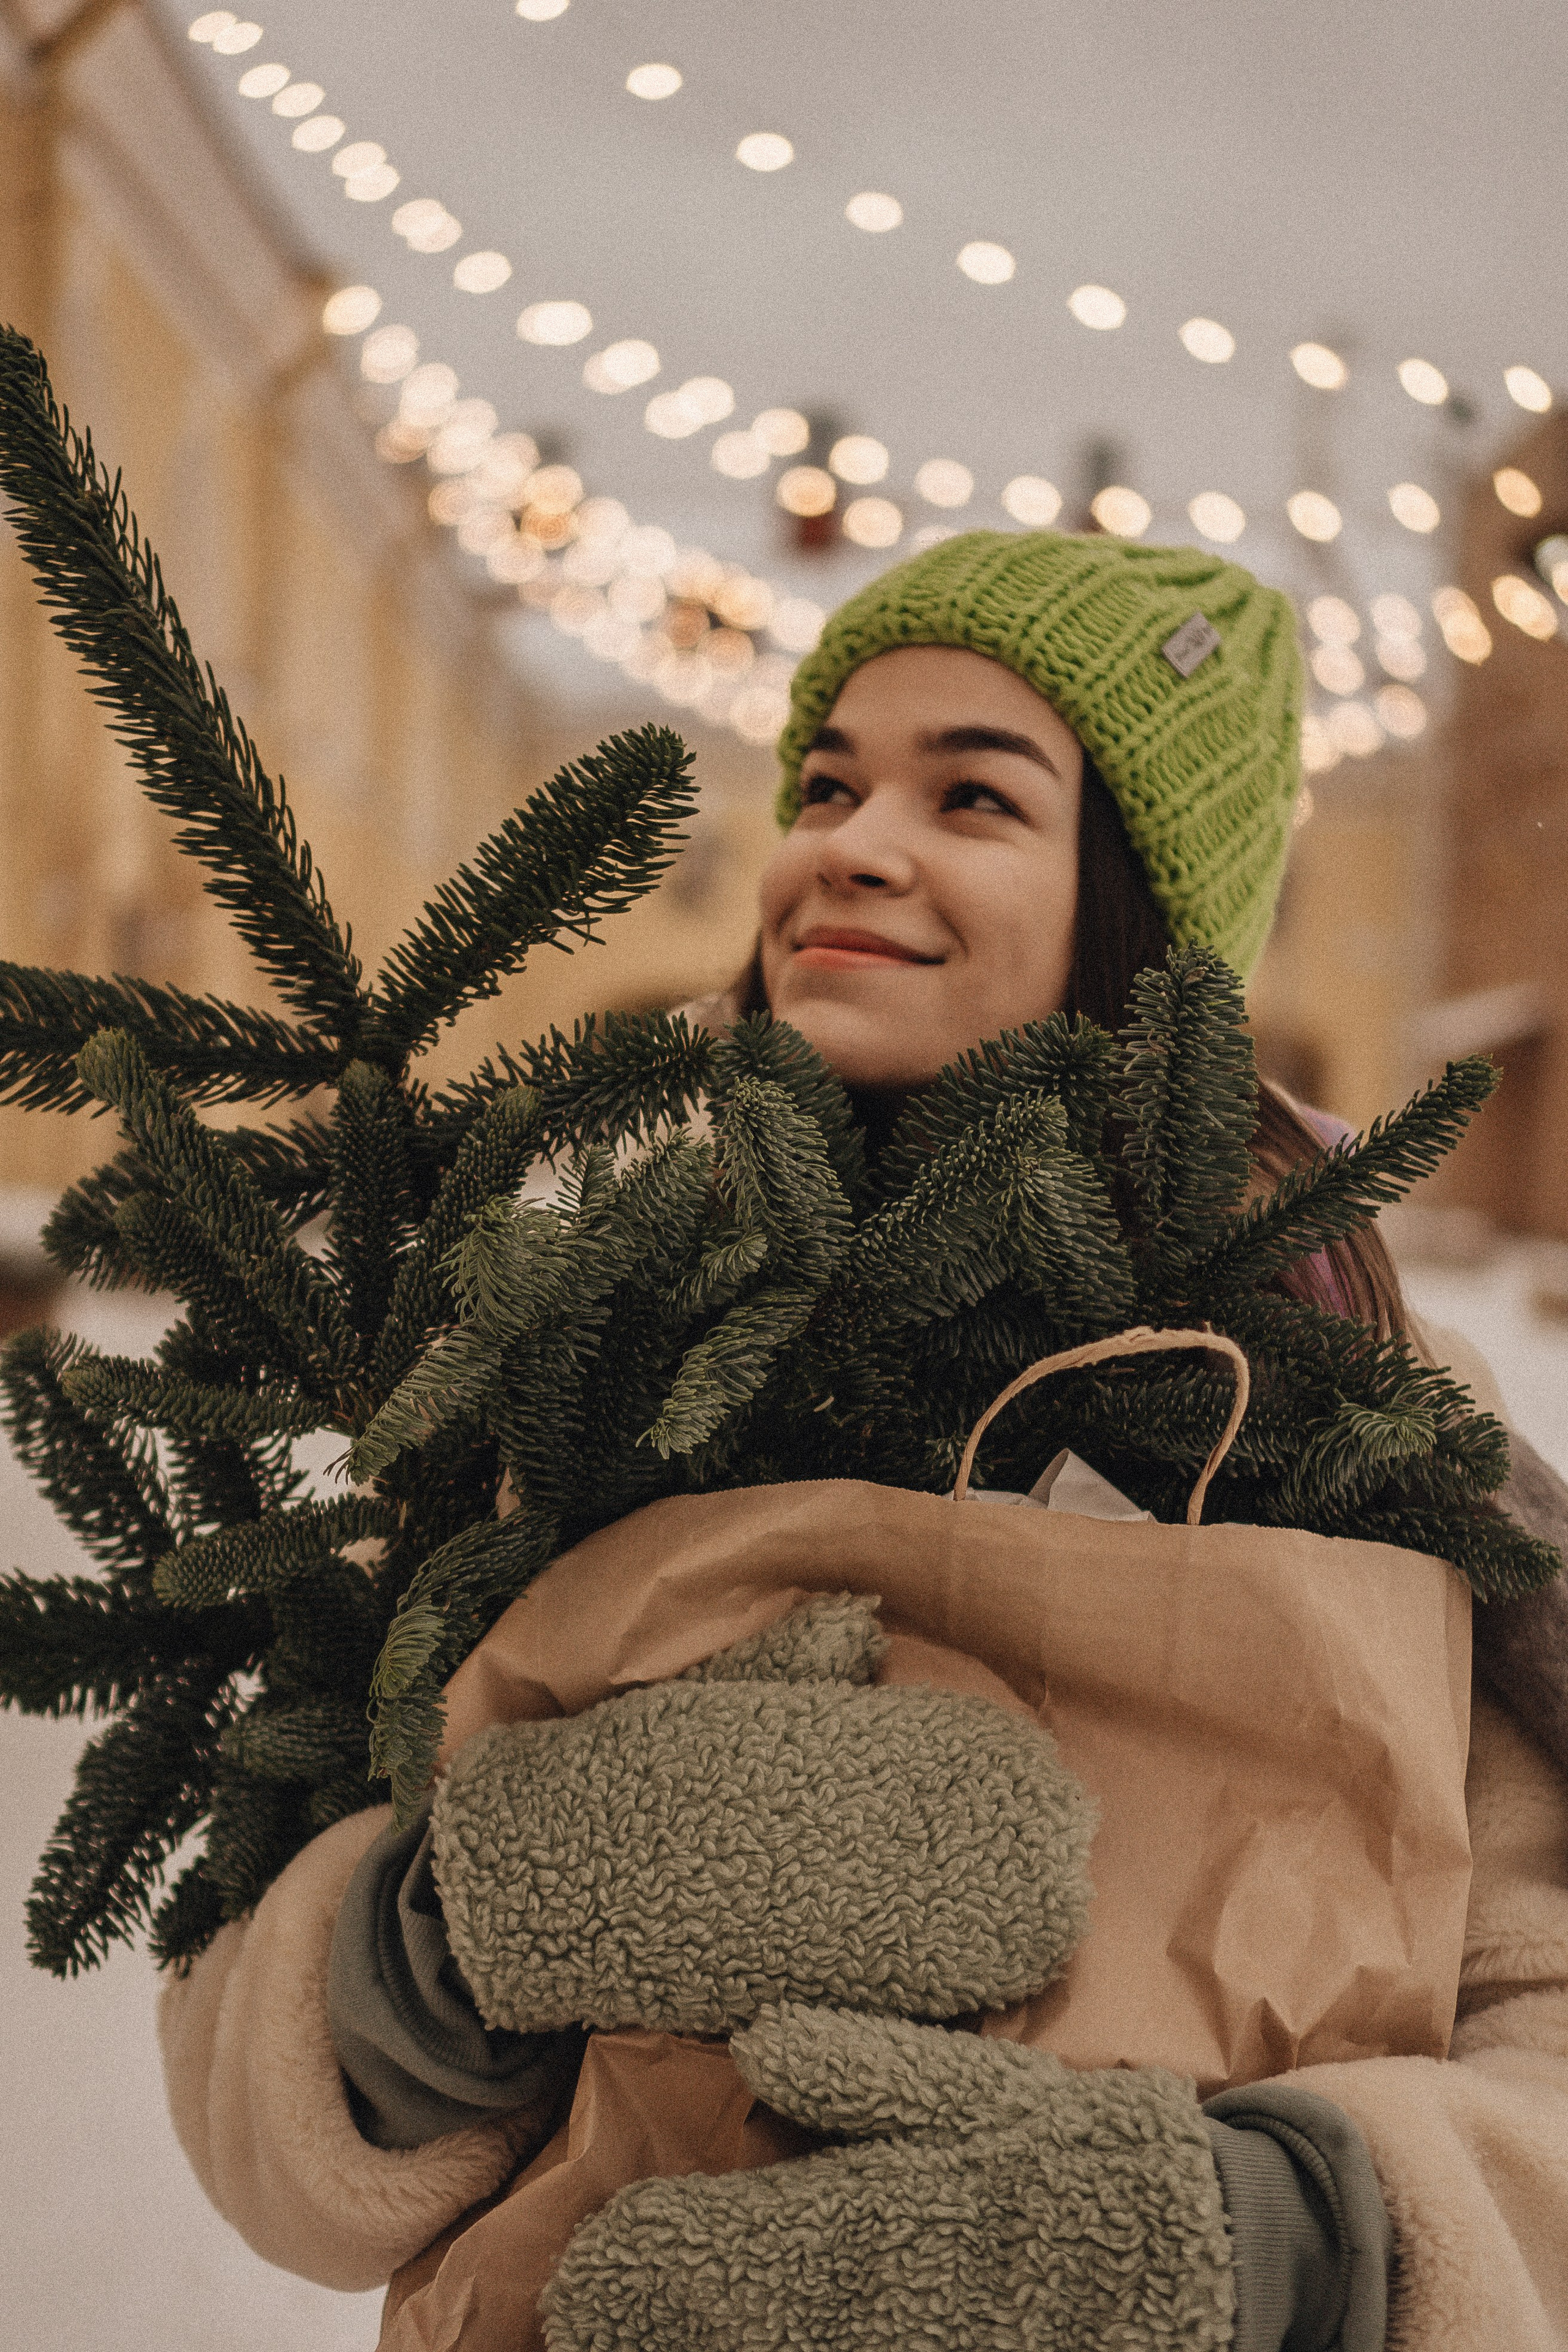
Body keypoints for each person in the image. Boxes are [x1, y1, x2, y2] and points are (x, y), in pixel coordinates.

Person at [158, 530, 1568, 2351]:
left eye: (972, 796)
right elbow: (241, 2055)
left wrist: (1276, 2238)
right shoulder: (584, 1331)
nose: (847, 842)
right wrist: (443, 1938)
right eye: (827, 783)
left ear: (1141, 910)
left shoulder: (1354, 1392)